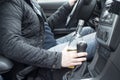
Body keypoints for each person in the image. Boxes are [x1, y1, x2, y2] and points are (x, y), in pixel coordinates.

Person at [0, 0, 97, 80]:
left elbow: (46, 26)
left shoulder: (31, 4)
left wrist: (68, 5)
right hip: (38, 59)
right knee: (99, 39)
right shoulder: (11, 4)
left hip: (46, 44)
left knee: (88, 30)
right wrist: (58, 59)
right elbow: (10, 45)